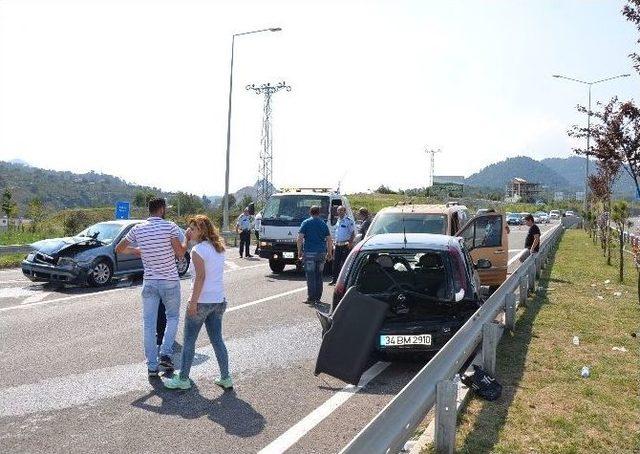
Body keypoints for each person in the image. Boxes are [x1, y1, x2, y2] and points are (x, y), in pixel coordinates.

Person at [115, 198, 187, 377]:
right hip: (169, 281)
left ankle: (152, 366)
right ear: (162, 209)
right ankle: (165, 353)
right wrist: (188, 241)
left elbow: (119, 248)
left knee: (148, 325)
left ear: (149, 210)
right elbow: (180, 253)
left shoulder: (138, 229)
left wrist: (137, 250)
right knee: (172, 318)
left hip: (149, 282)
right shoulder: (169, 226)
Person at [164, 215, 232, 391]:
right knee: (217, 340)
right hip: (218, 300)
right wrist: (187, 238)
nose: (189, 231)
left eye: (193, 228)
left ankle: (183, 379)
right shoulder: (219, 248)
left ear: (201, 230)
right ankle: (226, 377)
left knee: (189, 342)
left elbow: (200, 278)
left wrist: (193, 303)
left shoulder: (198, 251)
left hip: (201, 302)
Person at [297, 205, 333, 304]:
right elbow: (329, 240)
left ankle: (311, 298)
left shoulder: (306, 222)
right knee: (319, 275)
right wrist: (329, 252)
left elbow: (300, 238)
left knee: (310, 276)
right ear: (319, 212)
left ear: (310, 212)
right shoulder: (323, 223)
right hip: (321, 253)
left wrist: (299, 250)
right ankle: (318, 297)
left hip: (309, 253)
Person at [329, 206, 355, 285]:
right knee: (335, 263)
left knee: (344, 263)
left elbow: (352, 233)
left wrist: (350, 243)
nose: (340, 212)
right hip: (337, 245)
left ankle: (344, 280)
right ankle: (334, 279)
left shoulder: (348, 221)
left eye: (341, 211)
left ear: (345, 211)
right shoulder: (338, 220)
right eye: (338, 211)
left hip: (345, 245)